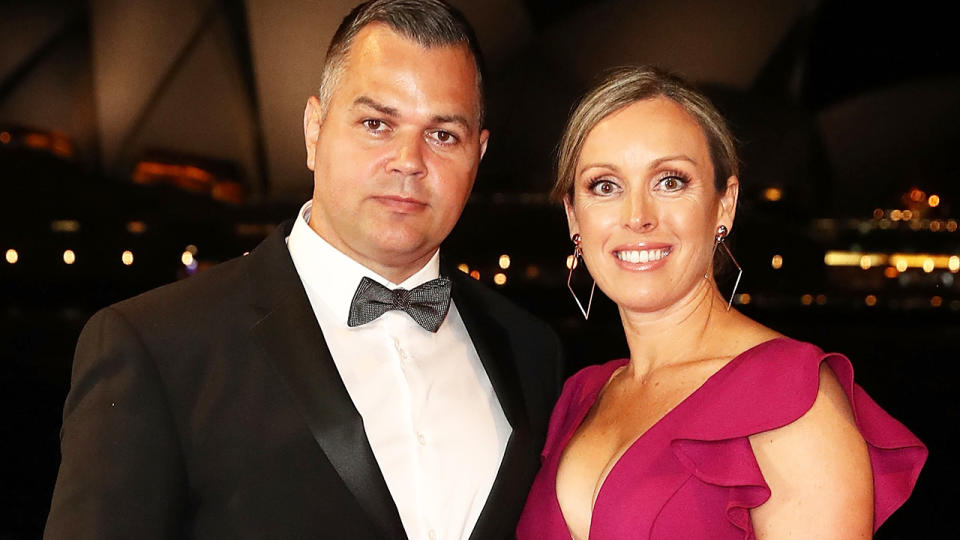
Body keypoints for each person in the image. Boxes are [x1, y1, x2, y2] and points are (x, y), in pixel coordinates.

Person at [44, 1, 562, 539]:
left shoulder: (530, 352)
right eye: (376, 123)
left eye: (443, 135)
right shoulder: (156, 344)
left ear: (478, 154)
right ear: (314, 129)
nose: (409, 160)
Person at [516, 66, 927, 539]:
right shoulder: (577, 398)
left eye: (670, 181)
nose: (637, 217)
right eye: (605, 186)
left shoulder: (790, 395)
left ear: (724, 205)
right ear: (573, 216)